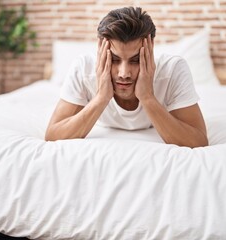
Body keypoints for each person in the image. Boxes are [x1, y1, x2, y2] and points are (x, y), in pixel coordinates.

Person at [45, 6, 208, 148]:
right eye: (114, 60)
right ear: (101, 52)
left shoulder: (172, 70)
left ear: (151, 52)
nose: (124, 74)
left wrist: (147, 97)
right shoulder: (84, 69)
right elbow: (53, 135)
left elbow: (198, 141)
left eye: (136, 60)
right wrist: (101, 97)